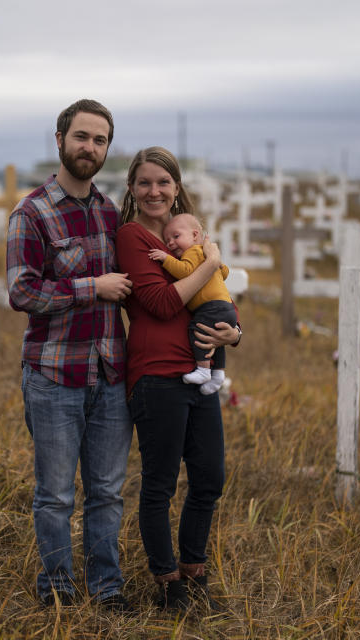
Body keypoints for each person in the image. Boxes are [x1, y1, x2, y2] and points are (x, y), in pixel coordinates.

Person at [6, 99, 134, 611]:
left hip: (111, 376)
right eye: (82, 137)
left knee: (107, 492)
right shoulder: (30, 213)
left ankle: (107, 589)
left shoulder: (108, 212)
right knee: (56, 495)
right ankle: (57, 589)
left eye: (100, 140)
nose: (90, 148)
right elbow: (22, 293)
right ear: (59, 139)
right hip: (55, 376)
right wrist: (91, 288)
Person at [116, 146, 241, 611]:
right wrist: (209, 259)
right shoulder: (131, 237)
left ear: (176, 187)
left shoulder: (187, 234)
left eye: (163, 182)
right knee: (160, 485)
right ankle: (168, 584)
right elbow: (166, 303)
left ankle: (194, 570)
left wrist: (235, 331)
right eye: (145, 183)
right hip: (156, 376)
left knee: (210, 478)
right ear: (131, 188)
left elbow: (218, 295)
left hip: (199, 371)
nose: (154, 191)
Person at [148, 213, 237, 395]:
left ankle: (204, 370)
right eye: (167, 240)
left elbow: (184, 271)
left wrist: (166, 258)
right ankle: (218, 373)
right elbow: (225, 273)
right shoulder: (205, 255)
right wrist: (216, 264)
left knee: (197, 330)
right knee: (215, 340)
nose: (171, 243)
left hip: (210, 306)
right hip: (226, 307)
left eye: (176, 236)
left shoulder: (193, 252)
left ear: (195, 235)